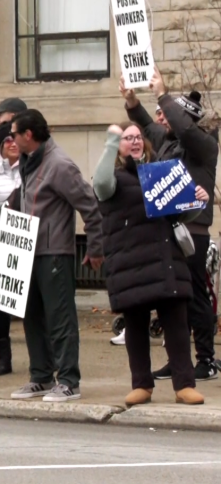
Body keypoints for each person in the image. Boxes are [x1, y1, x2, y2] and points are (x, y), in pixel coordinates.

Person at [93, 121, 206, 406]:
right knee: (136, 326)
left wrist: (196, 203)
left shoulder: (160, 172)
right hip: (132, 264)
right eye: (126, 138)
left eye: (137, 137)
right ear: (118, 146)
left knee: (177, 325)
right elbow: (101, 185)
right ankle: (142, 384)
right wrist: (110, 141)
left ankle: (184, 385)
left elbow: (177, 215)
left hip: (166, 260)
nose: (134, 141)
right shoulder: (114, 177)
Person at [123, 68, 220, 381]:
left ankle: (206, 359)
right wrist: (132, 101)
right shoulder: (166, 143)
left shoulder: (203, 146)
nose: (162, 120)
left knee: (195, 297)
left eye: (169, 115)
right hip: (166, 232)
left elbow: (186, 130)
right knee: (173, 298)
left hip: (192, 232)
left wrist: (162, 95)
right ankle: (178, 360)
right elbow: (149, 126)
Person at [8, 109, 104, 402]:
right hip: (27, 250)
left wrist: (96, 247)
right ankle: (41, 376)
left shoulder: (60, 165)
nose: (10, 139)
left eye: (14, 133)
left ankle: (68, 380)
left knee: (60, 317)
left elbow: (90, 206)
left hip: (54, 252)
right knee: (31, 316)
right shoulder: (27, 162)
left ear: (28, 135)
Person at [0, 122, 20, 377]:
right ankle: (3, 357)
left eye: (15, 138)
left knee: (33, 303)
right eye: (6, 139)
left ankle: (45, 357)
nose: (12, 143)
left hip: (26, 240)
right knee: (0, 302)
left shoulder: (31, 166)